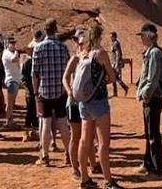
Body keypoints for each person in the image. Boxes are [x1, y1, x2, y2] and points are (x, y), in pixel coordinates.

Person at [65, 25, 123, 189]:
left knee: (84, 141)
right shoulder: (100, 53)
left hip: (83, 102)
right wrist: (103, 80)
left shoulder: (83, 54)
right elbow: (112, 77)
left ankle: (85, 179)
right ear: (99, 37)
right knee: (103, 142)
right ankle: (109, 181)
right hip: (99, 102)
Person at [32, 18, 71, 167]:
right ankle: (68, 154)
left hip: (44, 91)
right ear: (55, 29)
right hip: (61, 91)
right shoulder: (63, 48)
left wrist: (36, 93)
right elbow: (68, 70)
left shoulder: (39, 48)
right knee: (63, 123)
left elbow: (34, 74)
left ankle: (45, 156)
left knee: (46, 124)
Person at [135, 22, 162, 178]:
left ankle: (157, 169)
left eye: (142, 35)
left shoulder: (154, 53)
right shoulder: (149, 52)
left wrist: (144, 94)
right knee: (148, 133)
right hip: (149, 98)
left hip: (153, 98)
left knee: (153, 134)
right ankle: (147, 163)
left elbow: (152, 79)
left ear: (148, 36)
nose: (140, 38)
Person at [22, 30, 42, 142]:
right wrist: (30, 89)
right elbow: (24, 78)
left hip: (38, 90)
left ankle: (34, 132)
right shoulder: (27, 63)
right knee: (29, 111)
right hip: (30, 91)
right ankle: (26, 132)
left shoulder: (38, 61)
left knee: (37, 112)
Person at [2, 36, 22, 128]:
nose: (14, 45)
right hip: (11, 80)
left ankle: (10, 120)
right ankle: (8, 121)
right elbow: (14, 59)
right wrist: (17, 53)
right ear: (7, 44)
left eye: (14, 43)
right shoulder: (7, 53)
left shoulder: (10, 53)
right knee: (10, 102)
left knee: (11, 102)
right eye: (12, 43)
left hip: (14, 80)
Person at [110, 32, 129, 97]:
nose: (110, 37)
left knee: (114, 77)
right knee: (115, 77)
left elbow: (118, 53)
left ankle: (118, 91)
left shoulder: (116, 43)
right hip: (114, 62)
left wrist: (116, 64)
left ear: (114, 37)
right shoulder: (114, 43)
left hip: (115, 63)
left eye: (111, 36)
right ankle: (123, 88)